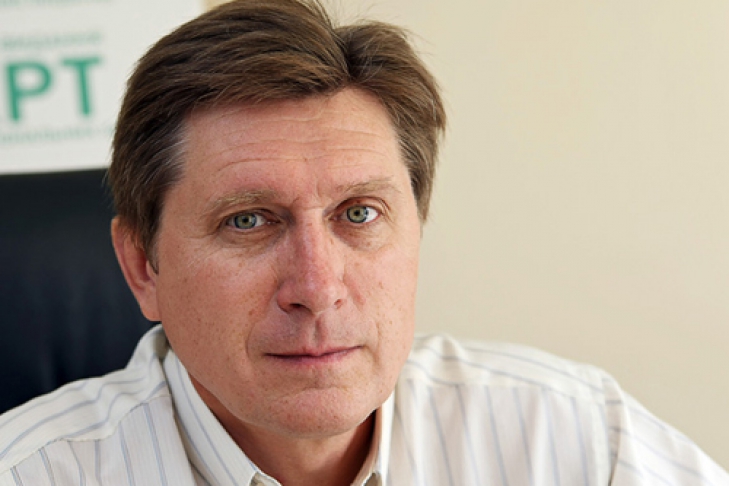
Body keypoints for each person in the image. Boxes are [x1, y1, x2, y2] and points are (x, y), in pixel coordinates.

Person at [0, 0, 727, 484]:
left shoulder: (570, 440)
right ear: (141, 265)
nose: (317, 288)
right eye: (248, 221)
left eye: (359, 214)